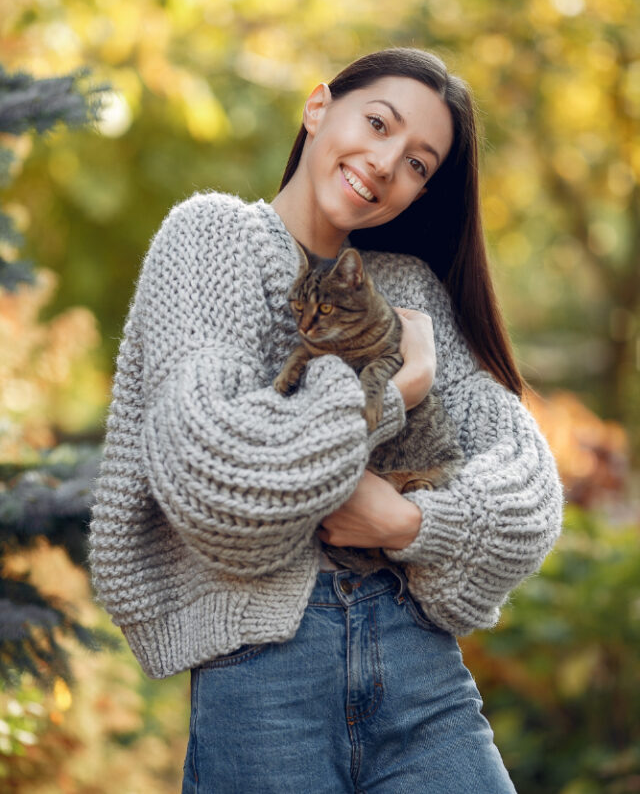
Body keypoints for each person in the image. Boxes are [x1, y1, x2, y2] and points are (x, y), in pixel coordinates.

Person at [89, 47, 563, 793]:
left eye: (417, 163)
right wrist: (394, 392)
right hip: (264, 679)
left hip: (421, 669)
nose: (384, 162)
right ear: (317, 109)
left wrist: (406, 524)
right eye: (377, 123)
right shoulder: (210, 239)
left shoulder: (410, 288)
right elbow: (220, 480)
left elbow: (529, 491)